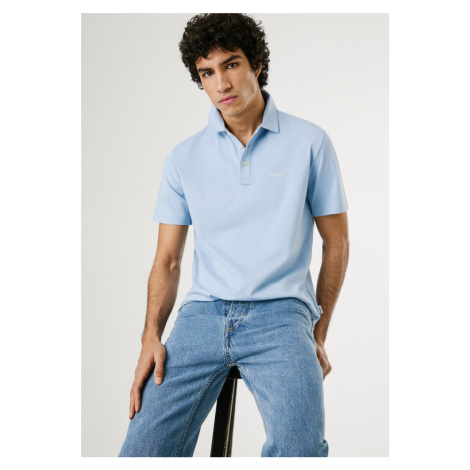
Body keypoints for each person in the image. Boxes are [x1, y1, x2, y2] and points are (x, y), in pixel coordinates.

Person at [118, 13, 349, 457]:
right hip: (202, 314)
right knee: (142, 450)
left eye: (231, 64)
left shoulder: (310, 142)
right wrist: (150, 336)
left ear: (256, 65)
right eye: (207, 72)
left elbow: (336, 243)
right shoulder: (183, 157)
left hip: (282, 315)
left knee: (300, 449)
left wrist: (318, 334)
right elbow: (168, 260)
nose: (221, 83)